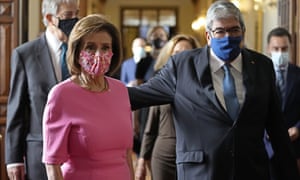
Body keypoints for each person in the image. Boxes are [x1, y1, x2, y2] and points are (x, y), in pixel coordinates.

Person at [128, 1, 300, 179]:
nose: (227, 36)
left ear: (243, 32)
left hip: (250, 171)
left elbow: (277, 128)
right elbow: (139, 95)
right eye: (220, 31)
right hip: (201, 172)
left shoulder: (262, 66)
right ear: (208, 36)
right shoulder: (182, 66)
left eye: (234, 30)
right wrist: (100, 88)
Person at [42, 14, 134, 180]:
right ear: (77, 52)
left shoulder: (120, 90)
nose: (99, 54)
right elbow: (52, 164)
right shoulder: (61, 95)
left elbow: (126, 154)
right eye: (90, 47)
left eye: (105, 47)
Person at [5, 0, 79, 179]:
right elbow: (17, 110)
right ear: (49, 18)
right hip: (39, 152)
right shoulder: (25, 54)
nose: (75, 21)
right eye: (68, 16)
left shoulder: (80, 52)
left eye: (76, 14)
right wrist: (14, 159)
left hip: (78, 152)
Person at [135, 34, 200, 180]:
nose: (181, 57)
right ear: (170, 56)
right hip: (164, 156)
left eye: (187, 53)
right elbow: (150, 127)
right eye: (176, 53)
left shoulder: (204, 85)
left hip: (194, 155)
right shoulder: (161, 83)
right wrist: (141, 160)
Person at [265, 27, 300, 179]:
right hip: (266, 148)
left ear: (290, 49)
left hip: (294, 149)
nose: (280, 53)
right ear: (268, 49)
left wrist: (298, 129)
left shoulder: (298, 75)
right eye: (276, 48)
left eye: (284, 49)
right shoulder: (259, 75)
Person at [133, 25, 169, 156]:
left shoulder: (170, 60)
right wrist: (134, 118)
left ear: (166, 38)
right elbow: (137, 90)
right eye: (155, 36)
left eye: (161, 35)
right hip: (146, 108)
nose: (158, 38)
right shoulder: (143, 61)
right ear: (149, 39)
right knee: (145, 144)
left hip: (165, 108)